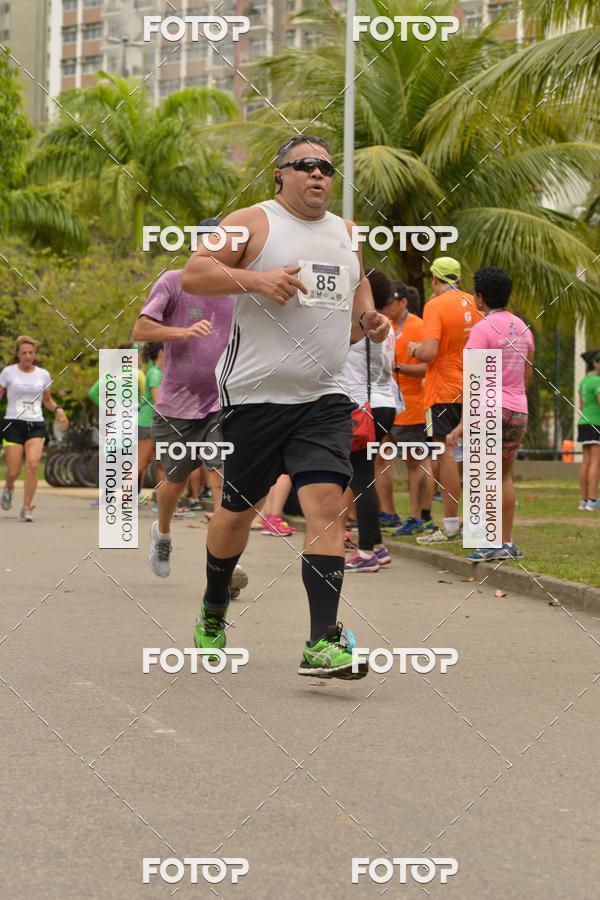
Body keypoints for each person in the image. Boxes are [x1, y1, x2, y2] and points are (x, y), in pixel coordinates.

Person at [181, 134, 390, 678]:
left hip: (322, 396)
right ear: (281, 173)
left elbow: (358, 287)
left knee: (326, 502)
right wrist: (255, 278)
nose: (318, 174)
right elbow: (194, 272)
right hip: (255, 396)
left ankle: (322, 640)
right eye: (306, 165)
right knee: (237, 514)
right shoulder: (252, 221)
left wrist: (369, 319)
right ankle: (212, 607)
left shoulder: (347, 234)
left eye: (326, 167)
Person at [131, 241, 241, 589]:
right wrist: (181, 332)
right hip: (176, 406)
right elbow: (141, 329)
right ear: (197, 248)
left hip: (219, 404)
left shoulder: (238, 289)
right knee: (174, 484)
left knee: (219, 474)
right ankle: (162, 534)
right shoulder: (173, 282)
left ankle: (223, 565)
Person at [447, 266, 535, 559]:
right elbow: (527, 375)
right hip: (517, 410)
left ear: (480, 297)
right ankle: (506, 541)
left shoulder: (481, 330)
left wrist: (462, 425)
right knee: (504, 476)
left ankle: (489, 542)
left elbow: (474, 382)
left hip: (489, 410)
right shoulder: (523, 328)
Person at [407, 257, 475, 544]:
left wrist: (413, 348)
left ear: (435, 280)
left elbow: (429, 352)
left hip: (443, 390)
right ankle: (475, 524)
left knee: (444, 453)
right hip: (473, 384)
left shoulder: (434, 305)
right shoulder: (475, 302)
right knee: (469, 455)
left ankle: (449, 525)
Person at [342, 269, 396, 572]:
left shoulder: (359, 327)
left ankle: (365, 552)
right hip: (386, 404)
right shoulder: (391, 327)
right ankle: (377, 545)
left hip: (362, 406)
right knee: (366, 476)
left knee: (360, 479)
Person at [380, 281, 436, 536]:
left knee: (416, 460)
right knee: (380, 457)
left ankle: (420, 516)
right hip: (385, 404)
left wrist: (398, 368)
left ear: (403, 302)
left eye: (391, 302)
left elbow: (428, 367)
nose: (387, 307)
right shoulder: (384, 325)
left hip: (412, 406)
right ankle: (388, 512)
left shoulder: (419, 326)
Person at [1, 335, 69, 521]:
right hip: (13, 423)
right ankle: (8, 487)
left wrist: (58, 409)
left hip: (36, 424)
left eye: (31, 352)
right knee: (14, 470)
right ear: (17, 354)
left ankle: (26, 508)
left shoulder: (43, 374)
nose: (28, 356)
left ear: (34, 353)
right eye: (24, 353)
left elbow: (47, 400)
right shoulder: (8, 373)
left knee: (32, 465)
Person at [138, 341, 164, 500]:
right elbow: (157, 400)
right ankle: (123, 500)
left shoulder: (159, 372)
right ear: (162, 352)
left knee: (162, 465)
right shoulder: (154, 373)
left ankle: (162, 501)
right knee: (141, 464)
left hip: (158, 425)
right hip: (148, 424)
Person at [577, 349, 600, 511]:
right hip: (596, 423)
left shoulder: (584, 381)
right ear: (595, 363)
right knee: (595, 463)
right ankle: (593, 501)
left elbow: (581, 406)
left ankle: (583, 501)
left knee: (585, 463)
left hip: (583, 422)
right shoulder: (597, 382)